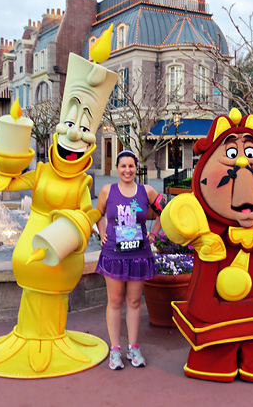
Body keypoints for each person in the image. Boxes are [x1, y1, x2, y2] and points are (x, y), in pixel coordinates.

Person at [96, 150, 164, 370]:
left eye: (131, 166)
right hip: (114, 254)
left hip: (139, 254)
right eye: (123, 166)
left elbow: (163, 211)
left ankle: (133, 347)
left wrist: (154, 233)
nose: (127, 170)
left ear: (137, 168)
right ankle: (115, 349)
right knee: (115, 301)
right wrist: (102, 232)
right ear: (116, 168)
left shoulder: (147, 191)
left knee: (134, 302)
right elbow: (97, 213)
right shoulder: (108, 191)